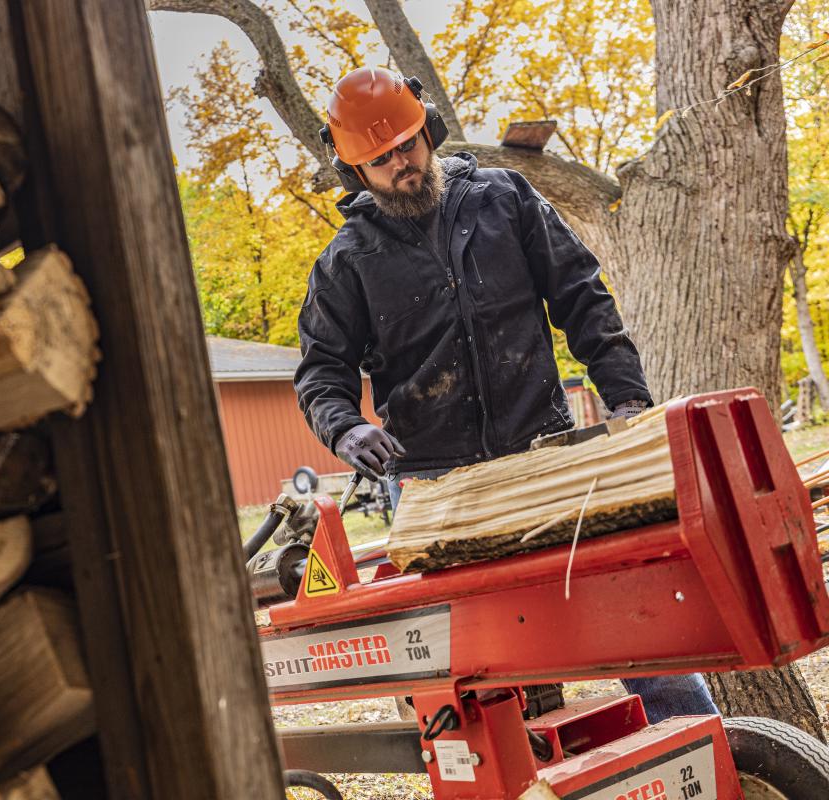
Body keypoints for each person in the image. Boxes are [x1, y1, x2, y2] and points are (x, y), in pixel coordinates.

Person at [293, 66, 716, 723]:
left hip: (541, 452)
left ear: (427, 130)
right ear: (356, 170)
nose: (401, 163)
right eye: (380, 159)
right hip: (437, 485)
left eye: (407, 144)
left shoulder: (503, 197)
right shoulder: (346, 262)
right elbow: (321, 371)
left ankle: (701, 747)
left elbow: (582, 296)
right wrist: (344, 427)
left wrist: (625, 395)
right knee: (484, 678)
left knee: (636, 615)